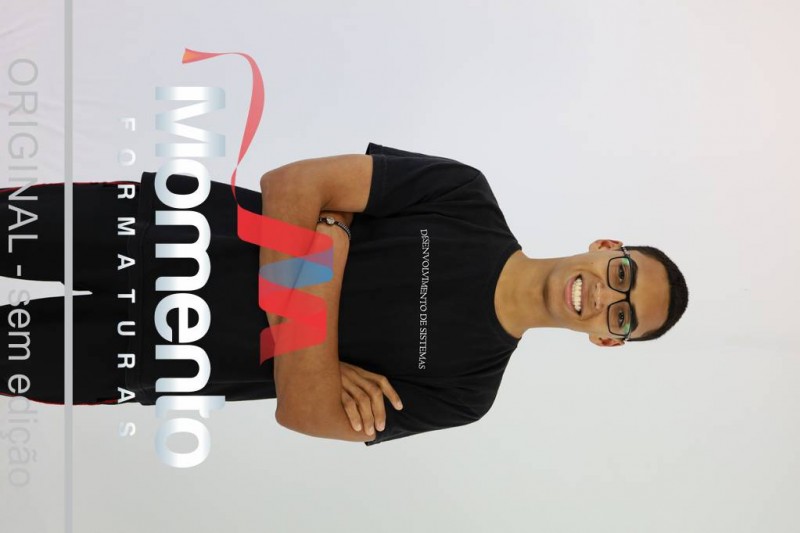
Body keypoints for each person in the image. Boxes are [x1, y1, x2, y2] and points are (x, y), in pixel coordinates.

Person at [0, 143, 688, 446]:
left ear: (607, 338)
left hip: (159, 355)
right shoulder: (464, 196)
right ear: (607, 247)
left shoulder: (467, 391)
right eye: (623, 274)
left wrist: (326, 250)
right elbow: (292, 184)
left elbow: (302, 414)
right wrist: (316, 357)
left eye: (623, 317)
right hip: (164, 228)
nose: (606, 296)